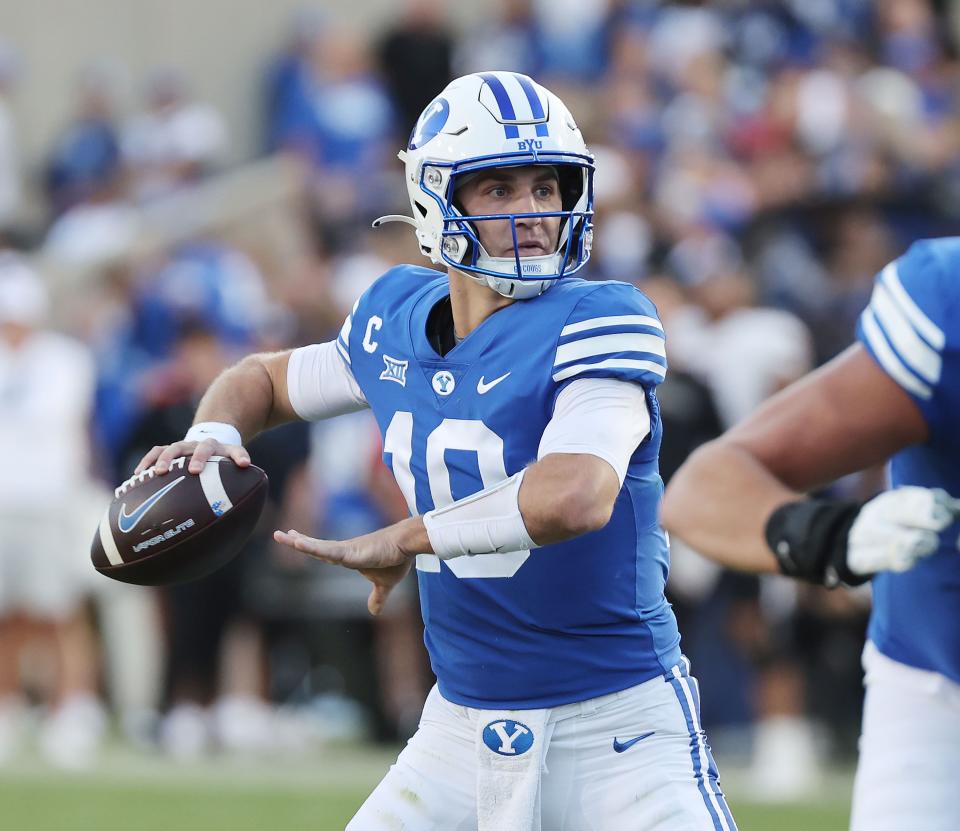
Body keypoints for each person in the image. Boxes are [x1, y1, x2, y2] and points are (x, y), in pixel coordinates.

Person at [136, 72, 737, 830]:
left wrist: (409, 538)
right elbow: (261, 378)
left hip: (615, 725)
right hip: (460, 725)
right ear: (434, 199)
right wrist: (212, 436)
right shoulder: (394, 317)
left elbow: (576, 495)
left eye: (546, 186)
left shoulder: (602, 318)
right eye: (500, 190)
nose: (534, 213)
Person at [661, 237, 960, 831]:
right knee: (754, 629)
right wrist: (834, 534)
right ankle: (768, 743)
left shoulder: (764, 332)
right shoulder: (946, 300)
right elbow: (706, 488)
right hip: (939, 674)